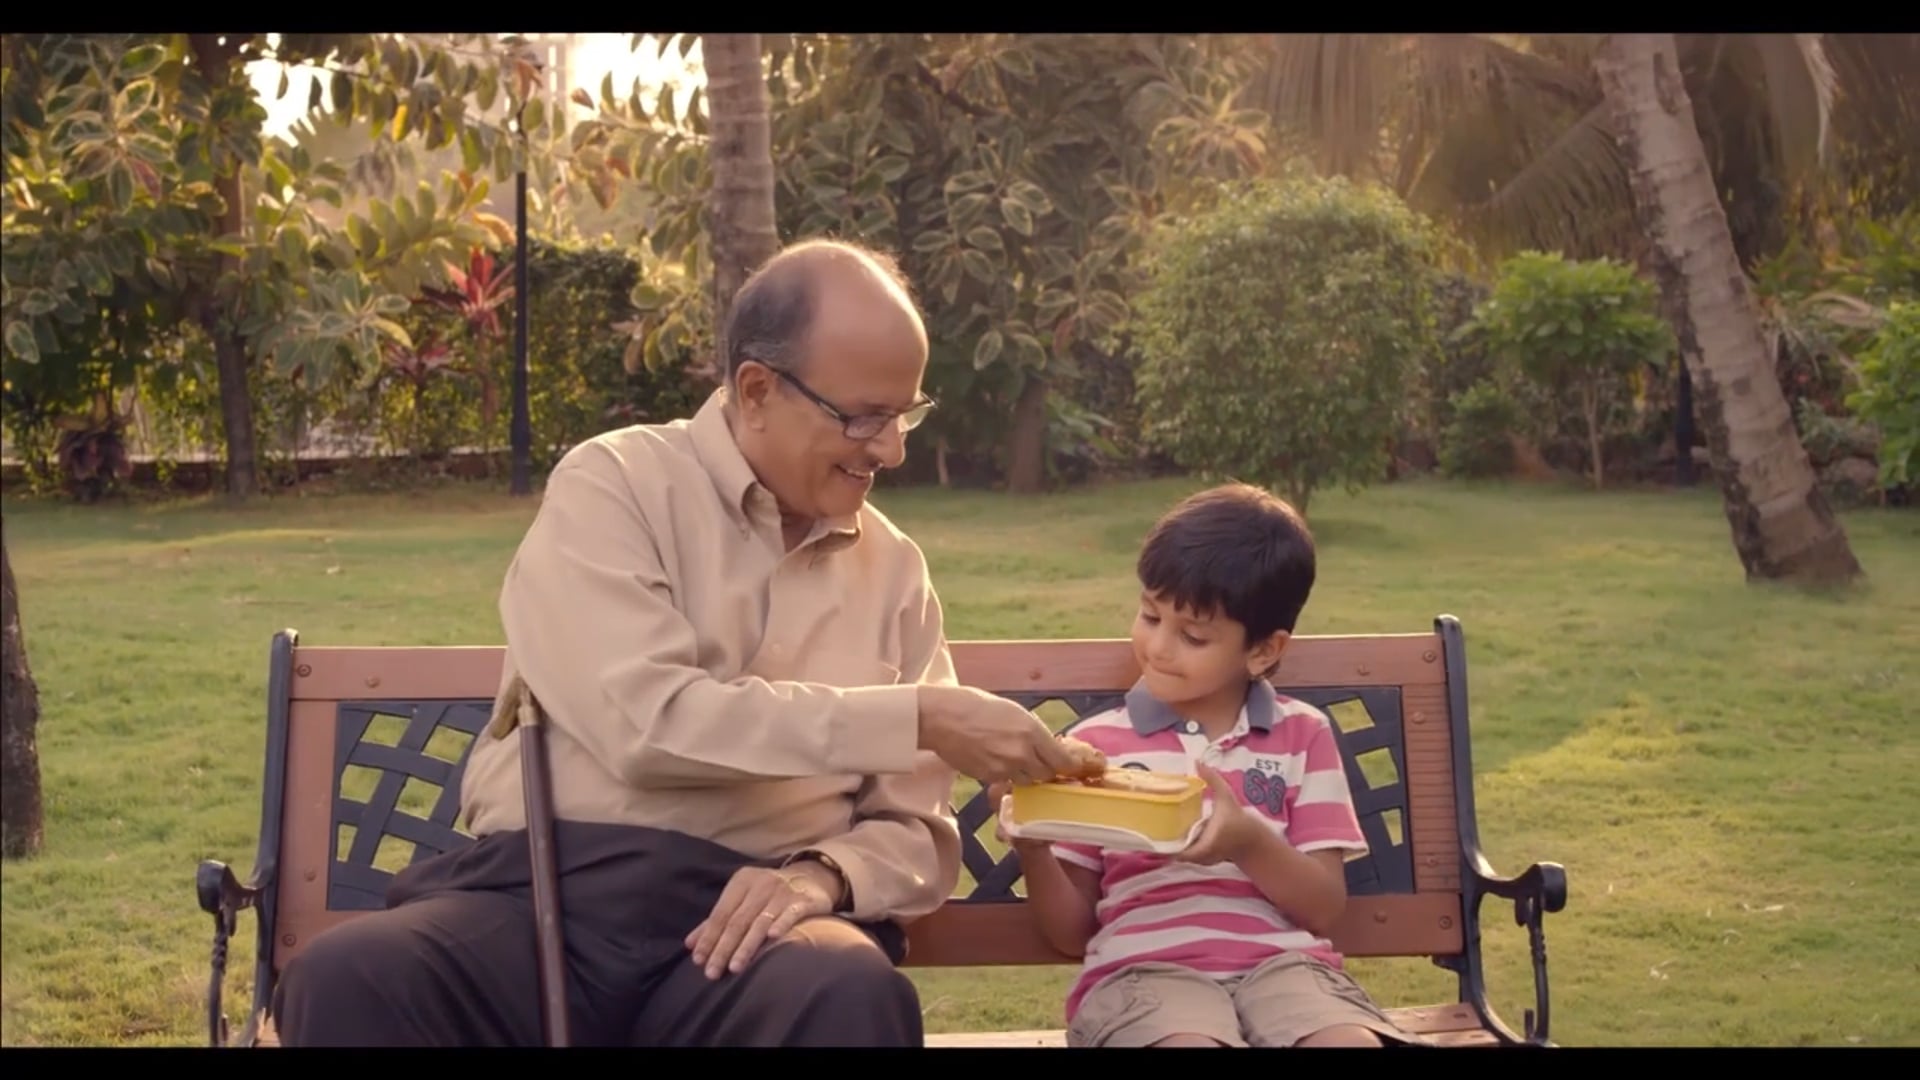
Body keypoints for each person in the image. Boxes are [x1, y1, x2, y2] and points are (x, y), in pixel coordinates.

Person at [270, 238, 1081, 1047]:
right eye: (865, 417)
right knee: (352, 979)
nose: (892, 449)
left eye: (904, 414)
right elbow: (647, 724)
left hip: (754, 923)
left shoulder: (896, 571)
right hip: (542, 899)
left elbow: (917, 830)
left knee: (841, 989)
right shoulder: (612, 486)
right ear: (757, 390)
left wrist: (824, 875)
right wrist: (915, 718)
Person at [991, 483, 1422, 1049]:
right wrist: (1032, 842)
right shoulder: (1093, 747)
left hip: (1285, 971)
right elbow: (1072, 934)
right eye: (1150, 615)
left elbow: (1322, 908)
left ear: (1263, 651)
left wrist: (1248, 844)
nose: (1160, 647)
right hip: (1147, 974)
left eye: (1192, 635)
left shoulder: (1302, 736)